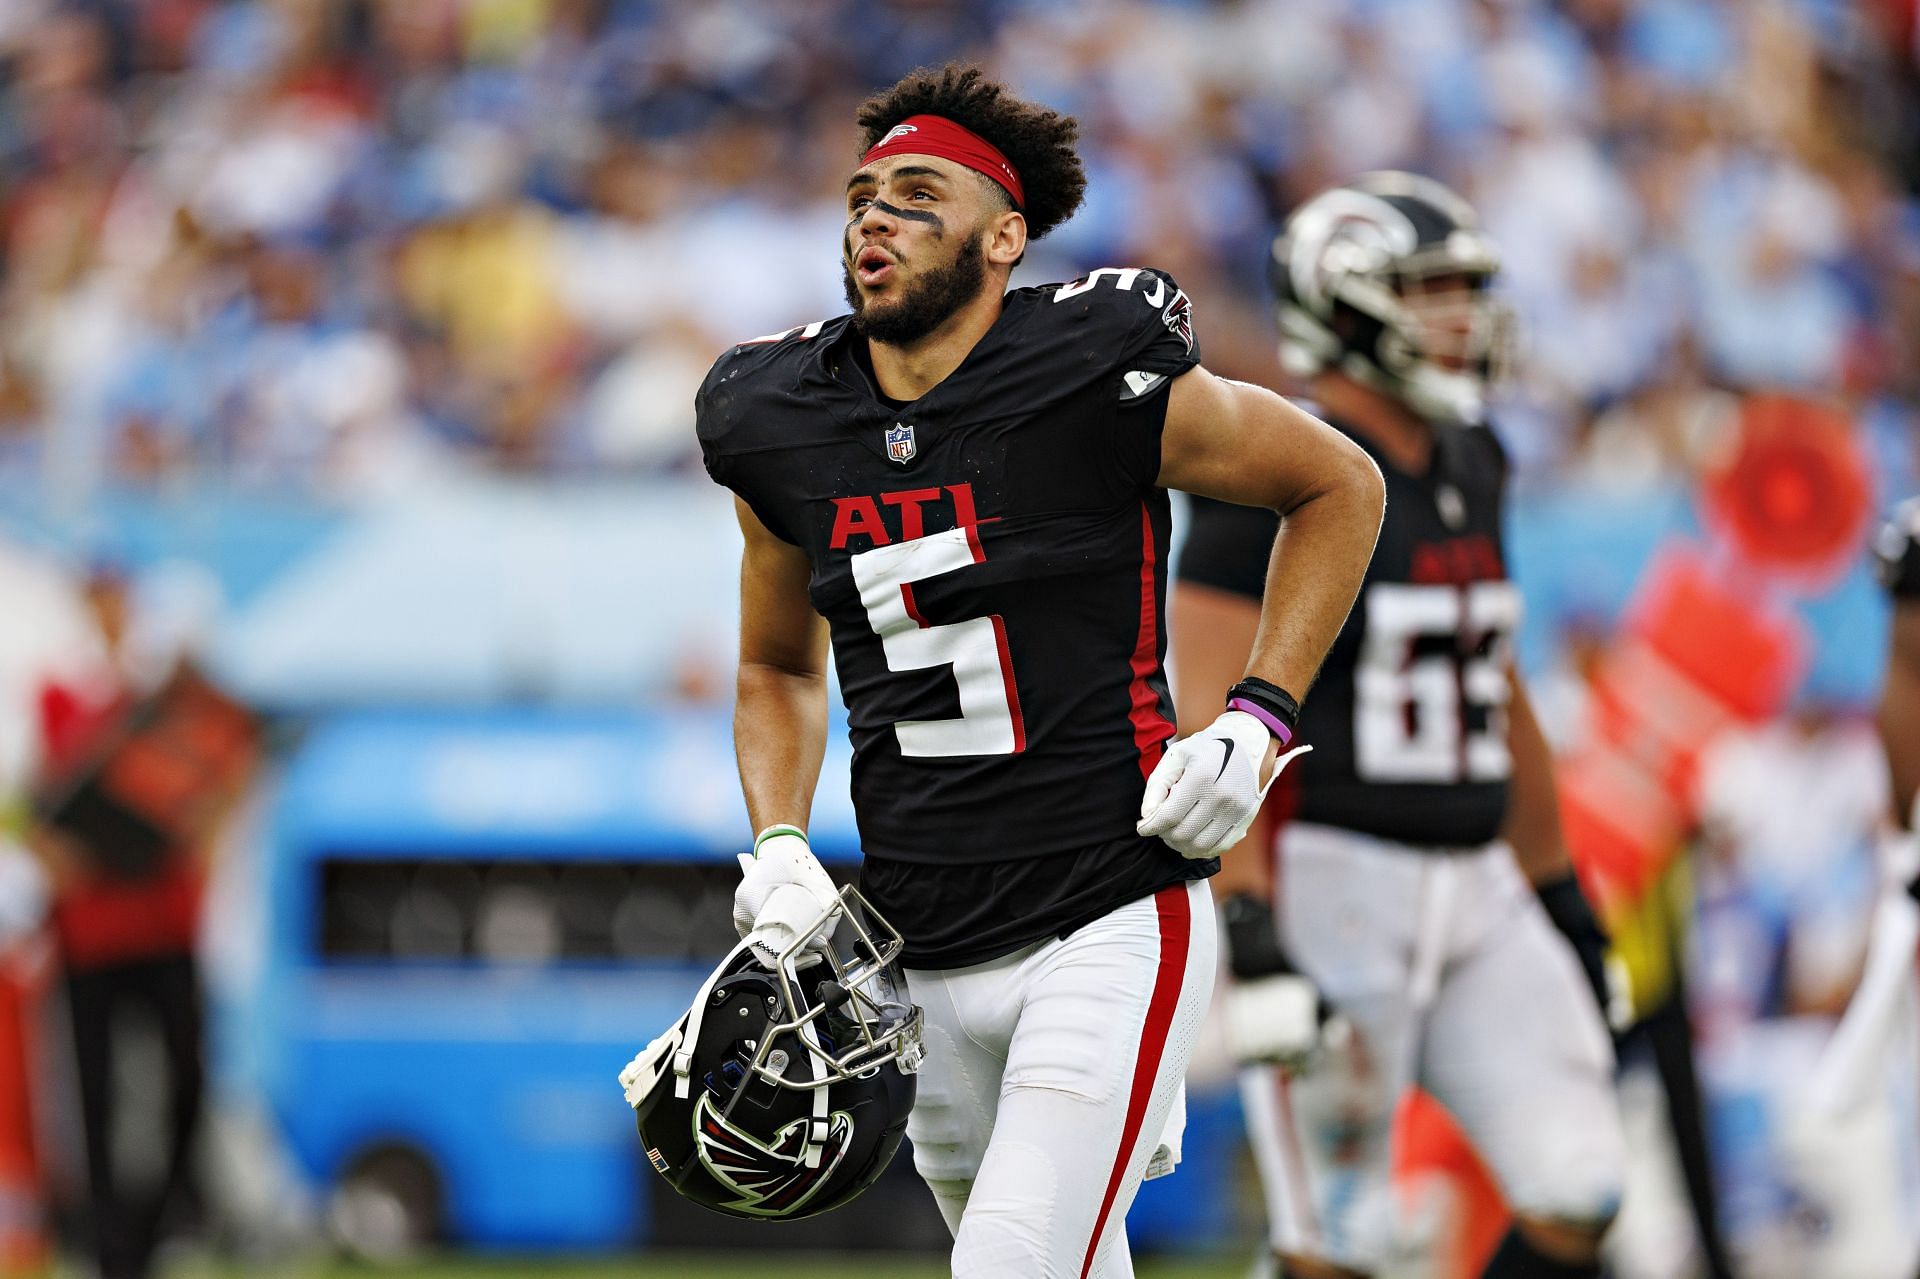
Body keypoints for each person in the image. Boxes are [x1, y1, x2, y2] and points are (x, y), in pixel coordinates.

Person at [690, 64, 1385, 1277]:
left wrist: (1259, 719)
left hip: (1108, 910)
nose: (875, 217)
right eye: (862, 195)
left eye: (917, 192)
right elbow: (774, 666)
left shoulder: (1092, 368)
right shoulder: (779, 417)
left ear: (1006, 236)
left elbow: (1340, 484)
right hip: (919, 943)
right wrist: (783, 842)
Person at [1170, 172, 1625, 1279]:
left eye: (1465, 291)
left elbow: (1497, 684)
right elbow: (1210, 703)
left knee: (1581, 1184)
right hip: (1336, 875)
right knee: (1338, 1237)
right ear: (1343, 305)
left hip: (1477, 881)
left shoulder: (1478, 456)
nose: (1460, 319)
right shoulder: (1271, 463)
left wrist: (1560, 887)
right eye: (1429, 292)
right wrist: (1251, 918)